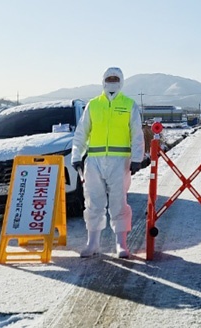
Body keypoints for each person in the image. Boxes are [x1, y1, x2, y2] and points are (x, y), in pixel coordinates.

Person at [71, 67, 145, 258]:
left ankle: (121, 244)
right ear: (103, 81)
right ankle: (92, 243)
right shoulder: (93, 105)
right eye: (109, 78)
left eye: (115, 78)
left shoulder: (129, 105)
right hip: (94, 160)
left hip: (120, 161)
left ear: (121, 81)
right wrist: (76, 155)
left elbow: (136, 134)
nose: (112, 81)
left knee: (118, 202)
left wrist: (137, 158)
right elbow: (81, 132)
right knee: (94, 202)